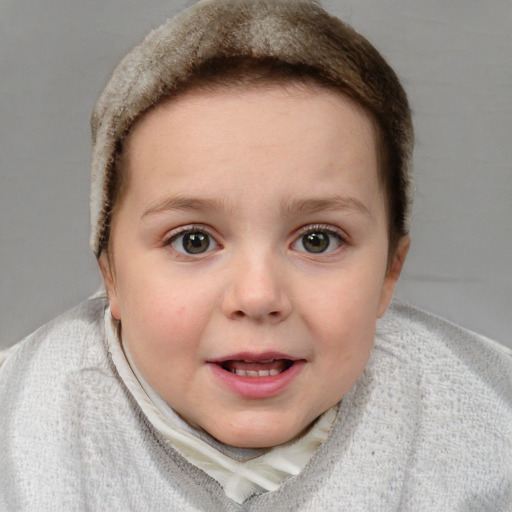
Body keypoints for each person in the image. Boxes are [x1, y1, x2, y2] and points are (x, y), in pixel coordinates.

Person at [1, 0, 511, 509]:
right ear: (111, 275)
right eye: (193, 240)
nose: (258, 295)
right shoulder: (22, 440)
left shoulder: (493, 427)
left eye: (318, 239)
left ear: (388, 274)